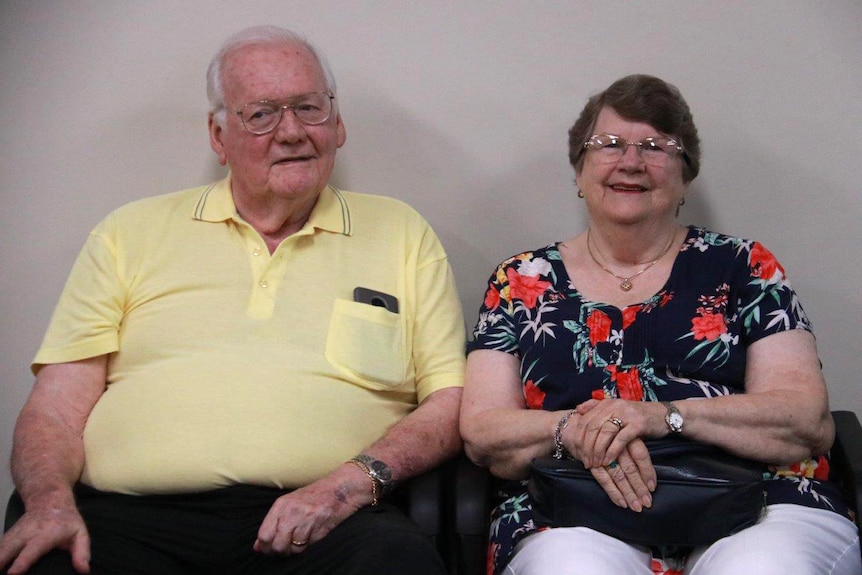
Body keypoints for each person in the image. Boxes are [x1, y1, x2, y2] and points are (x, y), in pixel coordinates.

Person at [0, 25, 465, 575]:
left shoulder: (402, 233)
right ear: (218, 136)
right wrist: (50, 504)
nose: (291, 132)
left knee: (398, 563)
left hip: (326, 520)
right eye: (262, 113)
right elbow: (53, 410)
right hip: (129, 521)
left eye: (308, 108)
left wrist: (348, 486)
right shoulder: (129, 232)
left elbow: (448, 401)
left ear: (337, 124)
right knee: (46, 562)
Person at [459, 74, 860, 575]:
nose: (630, 161)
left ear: (685, 175)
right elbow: (483, 431)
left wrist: (661, 417)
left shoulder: (745, 267)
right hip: (573, 506)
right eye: (608, 144)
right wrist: (577, 429)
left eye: (654, 146)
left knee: (762, 566)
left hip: (757, 500)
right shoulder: (518, 280)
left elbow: (805, 420)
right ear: (579, 171)